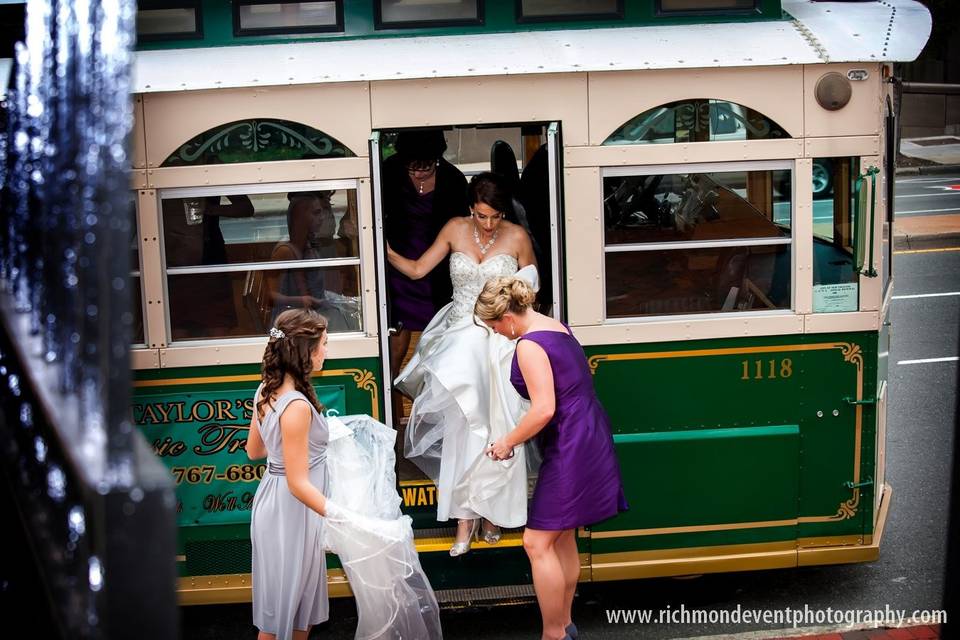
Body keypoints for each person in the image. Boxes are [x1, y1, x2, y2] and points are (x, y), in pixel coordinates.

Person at [388, 172, 537, 556]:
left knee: (501, 429)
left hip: (500, 344)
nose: (488, 224)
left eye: (494, 216)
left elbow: (531, 290)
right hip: (457, 343)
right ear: (470, 207)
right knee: (462, 434)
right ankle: (464, 521)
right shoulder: (455, 228)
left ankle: (494, 515)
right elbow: (420, 269)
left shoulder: (517, 236)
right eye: (481, 215)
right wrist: (382, 250)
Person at [477, 276, 629, 640]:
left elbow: (544, 409)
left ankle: (553, 633)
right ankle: (566, 625)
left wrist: (506, 441)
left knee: (536, 541)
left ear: (508, 318)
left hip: (570, 441)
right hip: (588, 430)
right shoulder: (557, 325)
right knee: (563, 537)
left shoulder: (528, 346)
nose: (496, 333)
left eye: (494, 325)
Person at [245, 309, 331, 640]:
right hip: (294, 512)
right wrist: (342, 517)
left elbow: (256, 451)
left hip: (276, 504)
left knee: (292, 609)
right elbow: (298, 483)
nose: (327, 351)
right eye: (324, 343)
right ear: (305, 351)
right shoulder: (295, 406)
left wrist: (297, 447)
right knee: (284, 611)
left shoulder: (267, 388)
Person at [383, 129, 469, 420]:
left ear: (438, 159)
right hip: (395, 269)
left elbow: (462, 232)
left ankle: (439, 417)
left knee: (441, 350)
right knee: (393, 349)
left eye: (427, 166)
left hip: (437, 272)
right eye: (412, 166)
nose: (419, 174)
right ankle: (391, 417)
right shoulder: (386, 173)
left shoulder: (455, 181)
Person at [267, 192, 358, 332]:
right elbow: (271, 296)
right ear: (300, 218)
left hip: (310, 310)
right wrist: (301, 300)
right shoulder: (285, 251)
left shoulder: (308, 246)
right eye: (316, 213)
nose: (321, 218)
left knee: (355, 310)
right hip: (292, 322)